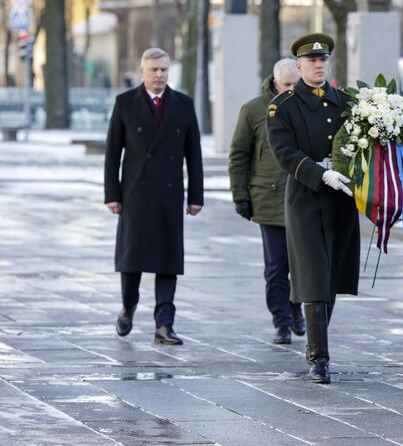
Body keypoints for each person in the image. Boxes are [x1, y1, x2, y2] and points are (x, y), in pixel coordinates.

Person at [266, 34, 360, 384]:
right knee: (313, 274)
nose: (319, 65)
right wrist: (321, 174)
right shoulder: (284, 106)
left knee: (332, 274)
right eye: (312, 60)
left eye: (324, 60)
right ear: (299, 65)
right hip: (306, 198)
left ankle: (319, 342)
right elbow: (284, 152)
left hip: (341, 198)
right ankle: (318, 356)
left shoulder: (346, 102)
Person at [104, 48, 204, 345]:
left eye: (163, 70)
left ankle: (164, 323)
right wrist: (112, 194)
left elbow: (194, 154)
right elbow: (112, 154)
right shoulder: (125, 103)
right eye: (154, 70)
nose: (159, 75)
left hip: (169, 193)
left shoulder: (183, 105)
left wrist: (195, 195)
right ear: (142, 71)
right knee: (131, 256)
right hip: (135, 191)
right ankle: (128, 306)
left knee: (167, 259)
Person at [228, 58, 306, 344]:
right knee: (276, 266)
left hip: (303, 197)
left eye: (295, 85)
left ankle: (296, 310)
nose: (291, 90)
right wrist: (240, 195)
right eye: (286, 85)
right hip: (269, 197)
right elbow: (239, 154)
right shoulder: (253, 110)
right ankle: (281, 320)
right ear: (275, 82)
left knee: (302, 264)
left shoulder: (306, 105)